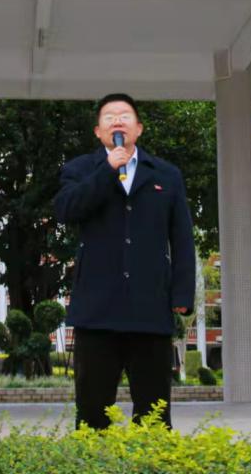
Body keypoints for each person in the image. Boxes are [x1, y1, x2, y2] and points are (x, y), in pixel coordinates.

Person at [54, 93, 196, 430]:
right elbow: (66, 210)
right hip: (96, 310)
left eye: (125, 115)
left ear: (139, 128)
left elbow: (181, 237)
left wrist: (182, 294)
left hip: (150, 308)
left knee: (154, 413)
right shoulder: (80, 170)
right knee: (92, 413)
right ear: (98, 131)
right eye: (109, 116)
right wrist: (107, 170)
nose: (117, 120)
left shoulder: (166, 174)